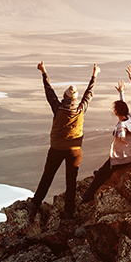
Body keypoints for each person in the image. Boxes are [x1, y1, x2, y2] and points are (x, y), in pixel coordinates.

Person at [29, 61, 98, 219]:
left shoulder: (58, 108)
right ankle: (69, 212)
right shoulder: (81, 109)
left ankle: (35, 204)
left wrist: (44, 71)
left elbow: (49, 91)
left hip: (57, 149)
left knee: (47, 177)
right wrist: (95, 74)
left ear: (65, 97)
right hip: (75, 151)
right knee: (71, 182)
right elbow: (89, 93)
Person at [81, 80, 131, 203]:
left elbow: (121, 131)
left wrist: (122, 138)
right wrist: (121, 92)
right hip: (130, 154)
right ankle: (103, 172)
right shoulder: (130, 118)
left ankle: (87, 197)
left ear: (116, 112)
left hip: (122, 159)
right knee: (103, 169)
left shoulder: (122, 125)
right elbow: (124, 106)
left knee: (99, 176)